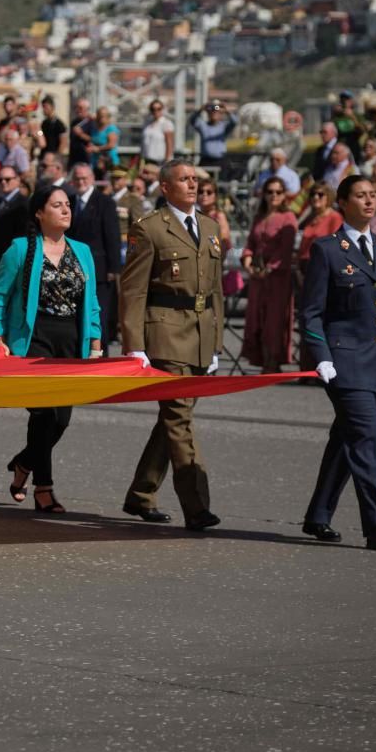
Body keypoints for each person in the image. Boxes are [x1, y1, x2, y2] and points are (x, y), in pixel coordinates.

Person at [299, 174, 376, 550]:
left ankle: (318, 516)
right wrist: (322, 356)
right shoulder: (327, 249)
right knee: (366, 440)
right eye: (360, 195)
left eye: (373, 195)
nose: (368, 201)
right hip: (344, 364)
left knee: (346, 440)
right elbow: (311, 312)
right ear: (342, 202)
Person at [118, 159, 224, 530]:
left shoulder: (210, 227)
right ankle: (197, 507)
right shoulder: (149, 229)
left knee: (171, 420)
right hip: (163, 336)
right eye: (184, 179)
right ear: (165, 187)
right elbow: (133, 290)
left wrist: (216, 343)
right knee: (180, 419)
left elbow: (216, 292)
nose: (192, 185)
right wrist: (134, 344)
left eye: (195, 179)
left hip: (199, 336)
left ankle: (141, 494)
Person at [0, 186, 102, 514]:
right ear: (39, 213)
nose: (66, 210)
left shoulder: (82, 251)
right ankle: (44, 489)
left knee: (61, 419)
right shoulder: (21, 249)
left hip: (70, 340)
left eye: (68, 205)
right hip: (33, 337)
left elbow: (91, 302)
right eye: (57, 205)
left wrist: (95, 340)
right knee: (43, 413)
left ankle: (24, 463)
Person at [241, 177, 298, 372]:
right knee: (256, 317)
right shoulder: (259, 217)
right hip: (258, 276)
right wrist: (248, 262)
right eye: (270, 191)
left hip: (277, 277)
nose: (274, 195)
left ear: (284, 195)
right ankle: (261, 359)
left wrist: (269, 268)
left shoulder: (288, 217)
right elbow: (250, 243)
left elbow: (285, 249)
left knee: (274, 320)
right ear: (264, 194)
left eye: (278, 192)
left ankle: (273, 361)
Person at [67, 163, 122, 349]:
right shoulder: (70, 201)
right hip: (75, 268)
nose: (81, 182)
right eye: (77, 178)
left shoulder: (104, 202)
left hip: (99, 269)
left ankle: (101, 353)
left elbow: (112, 236)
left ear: (91, 179)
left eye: (84, 178)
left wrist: (113, 268)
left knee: (99, 315)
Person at [190, 100, 236, 169]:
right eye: (211, 112)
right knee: (203, 178)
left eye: (217, 112)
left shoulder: (224, 126)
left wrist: (226, 110)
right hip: (206, 161)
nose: (214, 114)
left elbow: (234, 121)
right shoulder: (203, 125)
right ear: (208, 114)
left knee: (222, 179)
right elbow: (192, 120)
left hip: (221, 161)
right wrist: (201, 109)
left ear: (221, 114)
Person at [141, 99, 175, 166]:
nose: (155, 111)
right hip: (146, 159)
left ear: (162, 109)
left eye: (158, 109)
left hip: (160, 161)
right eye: (153, 109)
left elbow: (170, 143)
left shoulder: (166, 123)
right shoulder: (147, 123)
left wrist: (167, 160)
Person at [89, 107, 121, 171]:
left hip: (109, 161)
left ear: (108, 117)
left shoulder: (111, 128)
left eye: (104, 116)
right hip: (95, 161)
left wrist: (98, 148)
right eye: (100, 115)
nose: (102, 117)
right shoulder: (95, 129)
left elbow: (111, 145)